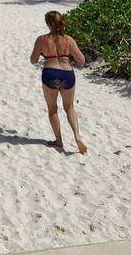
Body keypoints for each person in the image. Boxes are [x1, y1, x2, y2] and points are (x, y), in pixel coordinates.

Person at [29, 11, 88, 154]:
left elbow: (33, 60)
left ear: (48, 24)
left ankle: (59, 140)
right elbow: (82, 60)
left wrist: (45, 54)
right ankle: (77, 136)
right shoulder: (69, 39)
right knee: (69, 107)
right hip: (67, 74)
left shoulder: (41, 39)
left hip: (50, 73)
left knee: (53, 109)